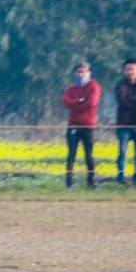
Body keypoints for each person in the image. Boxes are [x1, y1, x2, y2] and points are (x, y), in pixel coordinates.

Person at [61, 60, 101, 189]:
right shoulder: (70, 89)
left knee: (88, 154)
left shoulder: (94, 86)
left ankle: (91, 180)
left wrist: (76, 105)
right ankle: (69, 182)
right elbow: (66, 102)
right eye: (78, 72)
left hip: (88, 125)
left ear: (89, 73)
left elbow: (91, 103)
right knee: (71, 154)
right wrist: (80, 101)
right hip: (73, 125)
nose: (80, 75)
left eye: (83, 72)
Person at [114, 59, 136, 185]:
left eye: (132, 69)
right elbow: (121, 101)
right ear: (124, 71)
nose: (130, 72)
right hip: (124, 124)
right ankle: (120, 175)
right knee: (122, 152)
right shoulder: (120, 85)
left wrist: (130, 98)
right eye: (127, 69)